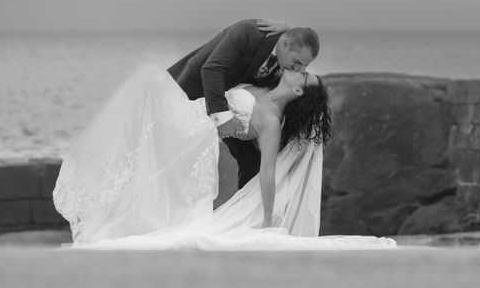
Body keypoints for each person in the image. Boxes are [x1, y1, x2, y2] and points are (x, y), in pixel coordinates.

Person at [52, 35, 395, 250]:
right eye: (302, 66)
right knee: (146, 84)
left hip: (196, 132)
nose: (299, 69)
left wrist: (268, 219)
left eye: (304, 74)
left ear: (299, 90)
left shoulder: (272, 121)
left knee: (148, 82)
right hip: (193, 116)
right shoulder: (259, 86)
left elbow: (268, 172)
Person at [167, 19, 318, 189]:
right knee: (173, 160)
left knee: (253, 161)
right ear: (285, 43)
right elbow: (212, 69)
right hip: (188, 93)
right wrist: (222, 119)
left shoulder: (282, 66)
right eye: (297, 62)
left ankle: (246, 211)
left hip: (231, 107)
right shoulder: (248, 32)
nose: (299, 70)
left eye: (304, 67)